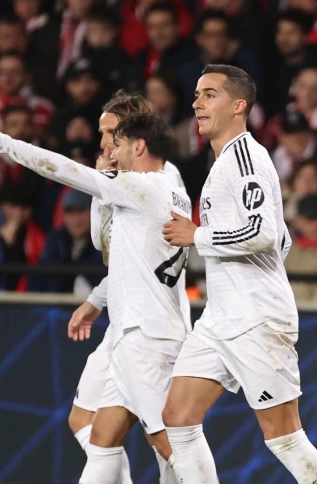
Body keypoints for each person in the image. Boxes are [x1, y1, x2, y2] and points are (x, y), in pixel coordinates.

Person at [0, 112, 193, 484]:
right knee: (101, 439)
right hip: (138, 329)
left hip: (147, 336)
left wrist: (1, 141)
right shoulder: (172, 188)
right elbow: (126, 261)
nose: (112, 152)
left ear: (139, 146)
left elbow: (62, 168)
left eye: (117, 143)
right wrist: (98, 300)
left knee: (169, 441)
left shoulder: (139, 185)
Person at [160, 64, 317, 483]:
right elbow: (283, 241)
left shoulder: (245, 157)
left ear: (239, 105)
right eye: (196, 94)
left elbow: (263, 233)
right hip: (221, 319)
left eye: (208, 94)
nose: (196, 103)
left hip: (256, 320)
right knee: (178, 418)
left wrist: (197, 236)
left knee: (285, 439)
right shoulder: (223, 161)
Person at [65, 91, 188, 484]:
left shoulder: (157, 181)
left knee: (163, 437)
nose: (102, 144)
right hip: (125, 320)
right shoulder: (122, 180)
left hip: (150, 327)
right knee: (88, 423)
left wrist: (105, 183)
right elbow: (111, 251)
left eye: (109, 134)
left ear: (134, 138)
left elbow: (123, 252)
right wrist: (95, 300)